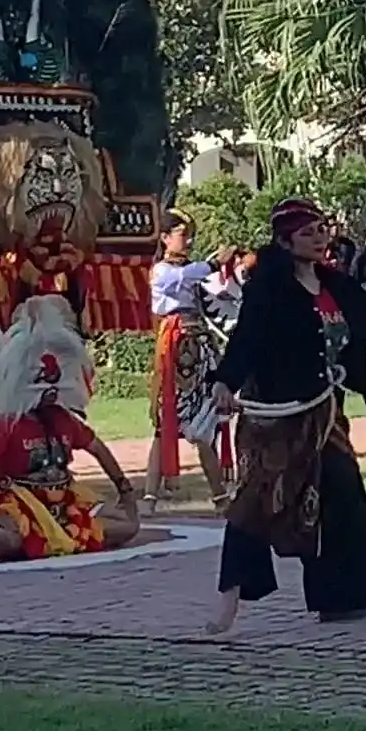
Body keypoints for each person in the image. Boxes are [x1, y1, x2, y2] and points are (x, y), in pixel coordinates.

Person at [204, 198, 366, 638]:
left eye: (321, 230)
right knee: (256, 505)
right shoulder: (269, 288)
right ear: (284, 240)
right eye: (307, 232)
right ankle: (229, 603)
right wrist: (225, 382)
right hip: (276, 417)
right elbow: (248, 338)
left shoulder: (336, 284)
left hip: (325, 413)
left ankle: (343, 598)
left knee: (342, 489)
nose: (319, 239)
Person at [0, 295, 139, 560]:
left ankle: (49, 539)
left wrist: (124, 489)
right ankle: (32, 538)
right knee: (1, 538)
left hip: (62, 501)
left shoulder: (63, 418)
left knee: (128, 527)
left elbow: (97, 448)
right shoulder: (8, 423)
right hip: (20, 502)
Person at [146, 211, 230, 515]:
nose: (189, 240)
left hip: (200, 347)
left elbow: (218, 293)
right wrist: (212, 264)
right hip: (175, 346)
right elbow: (184, 277)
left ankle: (220, 496)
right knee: (166, 419)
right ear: (165, 238)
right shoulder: (162, 271)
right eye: (182, 234)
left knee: (206, 422)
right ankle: (149, 497)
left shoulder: (193, 271)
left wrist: (235, 271)